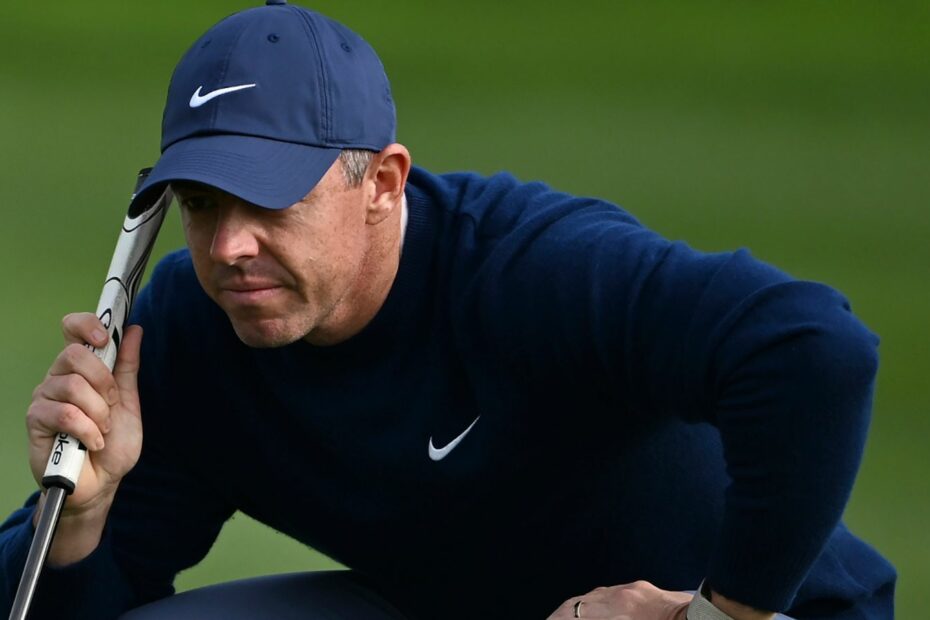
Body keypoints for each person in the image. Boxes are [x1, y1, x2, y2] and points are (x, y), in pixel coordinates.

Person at [0, 1, 895, 619]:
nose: (230, 245)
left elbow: (814, 352)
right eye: (200, 204)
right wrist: (78, 518)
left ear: (382, 183)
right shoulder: (196, 329)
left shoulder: (528, 270)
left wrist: (719, 611)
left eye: (270, 201)